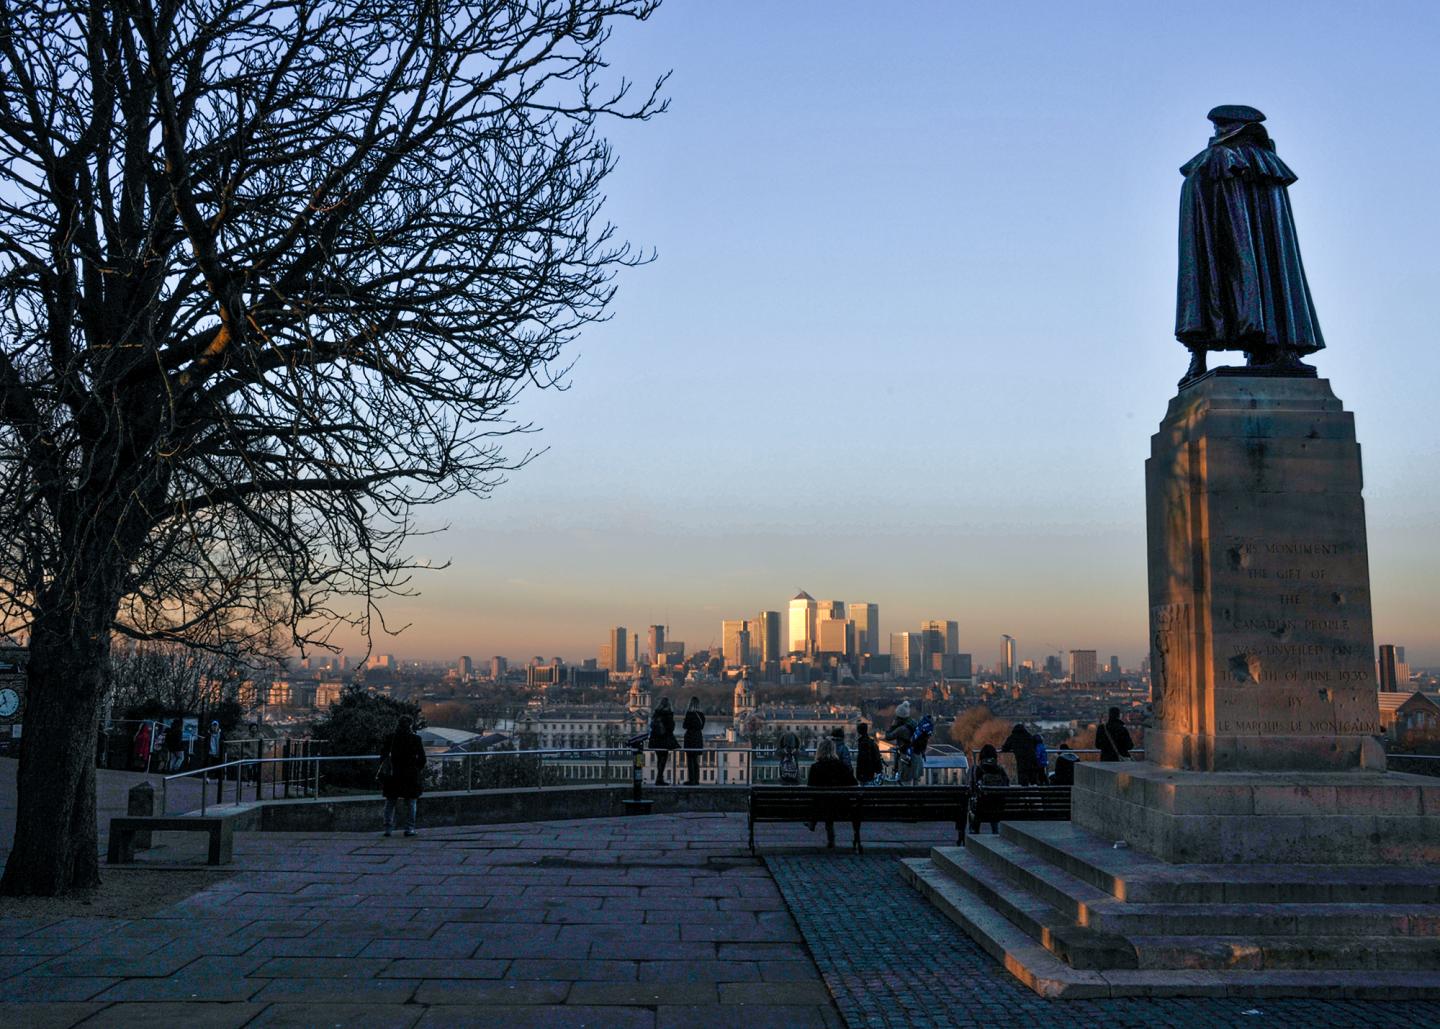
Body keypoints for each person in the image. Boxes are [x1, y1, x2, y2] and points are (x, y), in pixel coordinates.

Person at [1175, 106, 1324, 385]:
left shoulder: (1250, 160)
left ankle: (1274, 347)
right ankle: (1274, 348)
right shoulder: (1226, 161)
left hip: (1246, 247)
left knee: (1262, 278)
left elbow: (1276, 228)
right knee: (1226, 285)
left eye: (1223, 126)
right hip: (1224, 244)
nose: (1218, 133)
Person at [378, 715, 427, 837]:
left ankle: (388, 829)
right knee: (411, 802)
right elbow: (422, 759)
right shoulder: (416, 739)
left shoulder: (391, 738)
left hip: (393, 774)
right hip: (410, 774)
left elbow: (383, 756)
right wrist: (416, 768)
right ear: (410, 725)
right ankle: (409, 829)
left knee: (390, 802)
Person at [805, 737, 857, 848]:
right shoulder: (842, 767)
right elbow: (854, 783)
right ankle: (834, 838)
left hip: (822, 807)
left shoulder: (815, 767)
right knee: (830, 802)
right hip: (841, 807)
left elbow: (810, 788)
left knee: (824, 802)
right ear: (834, 750)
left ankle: (813, 823)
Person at [968, 744, 1010, 835]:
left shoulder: (978, 770)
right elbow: (1007, 785)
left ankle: (975, 831)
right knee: (994, 807)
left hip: (981, 809)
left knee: (976, 808)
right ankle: (995, 831)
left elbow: (972, 788)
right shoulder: (1000, 770)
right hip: (998, 808)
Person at [649, 697, 677, 785]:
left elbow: (652, 726)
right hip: (664, 740)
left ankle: (659, 777)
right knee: (663, 759)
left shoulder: (656, 713)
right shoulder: (668, 714)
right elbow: (671, 728)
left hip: (655, 740)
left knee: (659, 759)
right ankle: (659, 778)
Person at [885, 702, 916, 780]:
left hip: (904, 756)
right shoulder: (913, 723)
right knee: (912, 780)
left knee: (904, 780)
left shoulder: (902, 729)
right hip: (914, 755)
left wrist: (893, 725)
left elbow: (888, 737)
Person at [681, 696, 706, 786]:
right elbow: (702, 727)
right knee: (696, 761)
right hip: (698, 738)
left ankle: (691, 779)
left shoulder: (689, 714)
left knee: (690, 760)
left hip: (690, 738)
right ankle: (696, 780)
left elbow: (684, 726)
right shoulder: (702, 715)